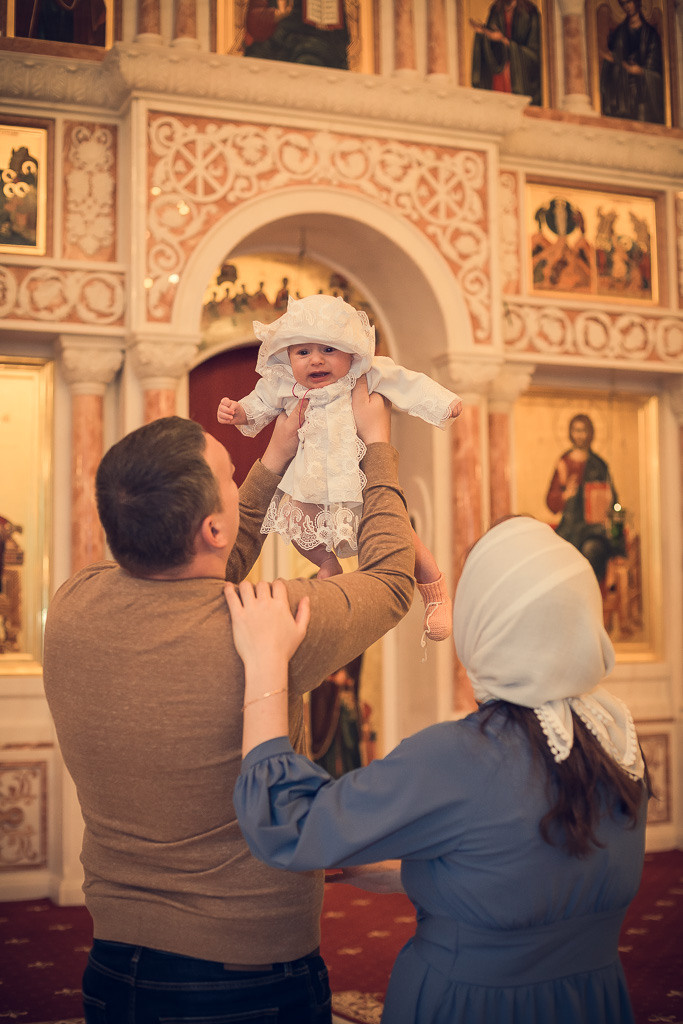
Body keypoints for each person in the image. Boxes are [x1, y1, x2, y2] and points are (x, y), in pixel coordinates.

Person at [42, 383, 414, 1023]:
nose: (241, 477)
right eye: (230, 473)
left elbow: (206, 564)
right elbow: (390, 580)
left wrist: (272, 463)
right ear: (213, 524)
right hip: (246, 977)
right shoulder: (272, 622)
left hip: (112, 963)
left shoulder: (75, 603)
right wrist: (378, 446)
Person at [230, 514, 651, 1024]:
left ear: (484, 624)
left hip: (473, 1003)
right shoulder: (616, 740)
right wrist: (426, 874)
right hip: (592, 1001)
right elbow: (537, 871)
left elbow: (286, 822)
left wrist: (266, 663)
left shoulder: (460, 756)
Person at [217, 292, 462, 641]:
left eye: (328, 350)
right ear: (288, 357)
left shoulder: (366, 375)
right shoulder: (285, 384)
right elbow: (260, 401)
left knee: (395, 529)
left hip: (358, 478)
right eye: (303, 352)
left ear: (351, 352)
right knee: (296, 520)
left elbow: (410, 383)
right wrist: (239, 412)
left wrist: (444, 403)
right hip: (309, 480)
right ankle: (326, 562)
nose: (315, 361)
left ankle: (433, 586)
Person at [545, 412, 621, 584]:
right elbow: (551, 501)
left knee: (591, 550)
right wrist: (565, 495)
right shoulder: (563, 463)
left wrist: (606, 502)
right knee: (556, 554)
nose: (579, 435)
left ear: (590, 434)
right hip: (570, 527)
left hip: (594, 530)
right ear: (570, 433)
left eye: (583, 431)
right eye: (576, 430)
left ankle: (588, 594)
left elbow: (613, 502)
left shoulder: (599, 465)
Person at [599, 0, 665, 125]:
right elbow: (614, 57)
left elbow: (654, 67)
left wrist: (641, 70)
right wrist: (613, 61)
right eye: (623, 3)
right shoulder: (618, 33)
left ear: (637, 3)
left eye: (629, 2)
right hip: (622, 89)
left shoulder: (651, 35)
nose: (627, 6)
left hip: (643, 90)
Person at [470, 0, 542, 107]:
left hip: (519, 70)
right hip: (499, 63)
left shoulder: (530, 12)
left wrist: (505, 41)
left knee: (508, 71)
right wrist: (483, 32)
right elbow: (491, 40)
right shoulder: (496, 10)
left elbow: (533, 52)